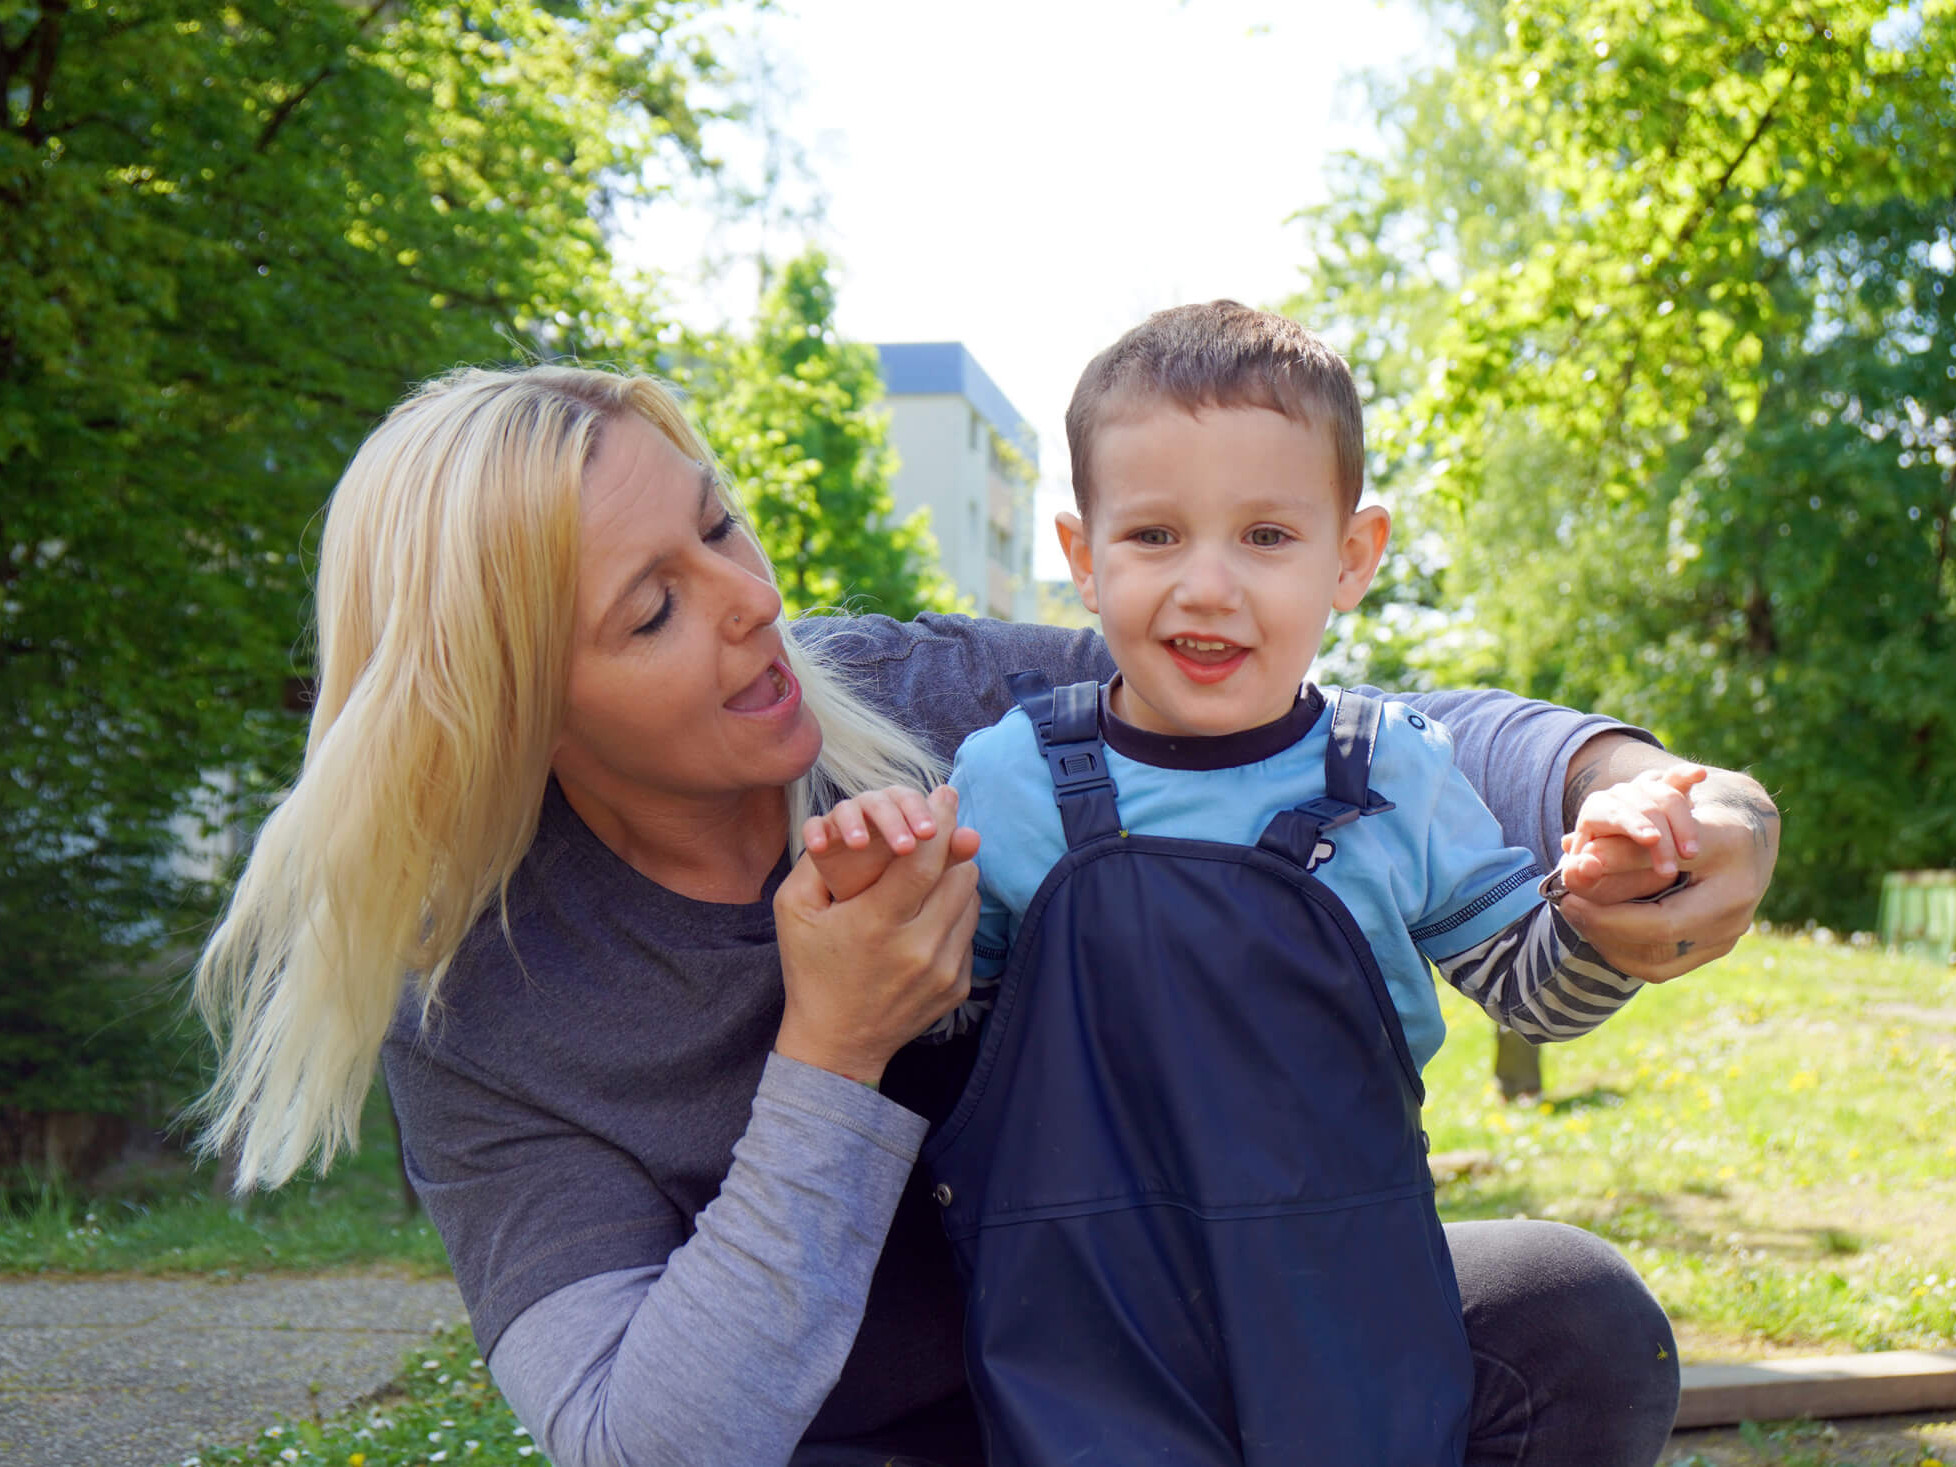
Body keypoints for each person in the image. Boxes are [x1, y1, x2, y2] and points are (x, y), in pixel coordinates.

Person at [191, 362, 1780, 1467]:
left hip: (1185, 1347)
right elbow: (645, 1437)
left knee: (1559, 1317)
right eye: (651, 605)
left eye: (719, 522)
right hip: (874, 1436)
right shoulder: (484, 1018)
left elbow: (1345, 725)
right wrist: (833, 1049)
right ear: (521, 703)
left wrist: (1639, 781)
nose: (748, 599)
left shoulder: (930, 701)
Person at [797, 302, 1704, 1465]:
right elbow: (933, 1029)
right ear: (1084, 558)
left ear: (1352, 558)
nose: (1208, 586)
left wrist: (1604, 904)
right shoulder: (1013, 779)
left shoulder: (1397, 777)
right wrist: (885, 893)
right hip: (1080, 1347)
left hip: (1348, 1332)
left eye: (1267, 537)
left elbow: (1538, 1001)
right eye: (1156, 537)